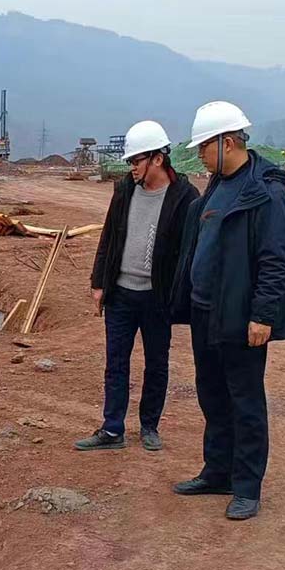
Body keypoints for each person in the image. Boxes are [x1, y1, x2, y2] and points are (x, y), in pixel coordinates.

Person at [170, 101, 285, 520]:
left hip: (241, 317)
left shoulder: (266, 192)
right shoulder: (216, 185)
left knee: (245, 401)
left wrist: (263, 316)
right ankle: (217, 472)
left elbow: (276, 261)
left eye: (204, 147)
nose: (200, 156)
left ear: (228, 142)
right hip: (205, 312)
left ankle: (246, 487)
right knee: (212, 395)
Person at [75, 121, 199, 452]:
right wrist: (99, 282)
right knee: (116, 363)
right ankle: (112, 429)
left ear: (157, 159)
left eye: (135, 160)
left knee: (156, 363)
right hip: (120, 294)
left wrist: (181, 295)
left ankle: (149, 426)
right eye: (129, 161)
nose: (131, 167)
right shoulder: (124, 190)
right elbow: (108, 236)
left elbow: (189, 251)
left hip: (158, 298)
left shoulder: (185, 197)